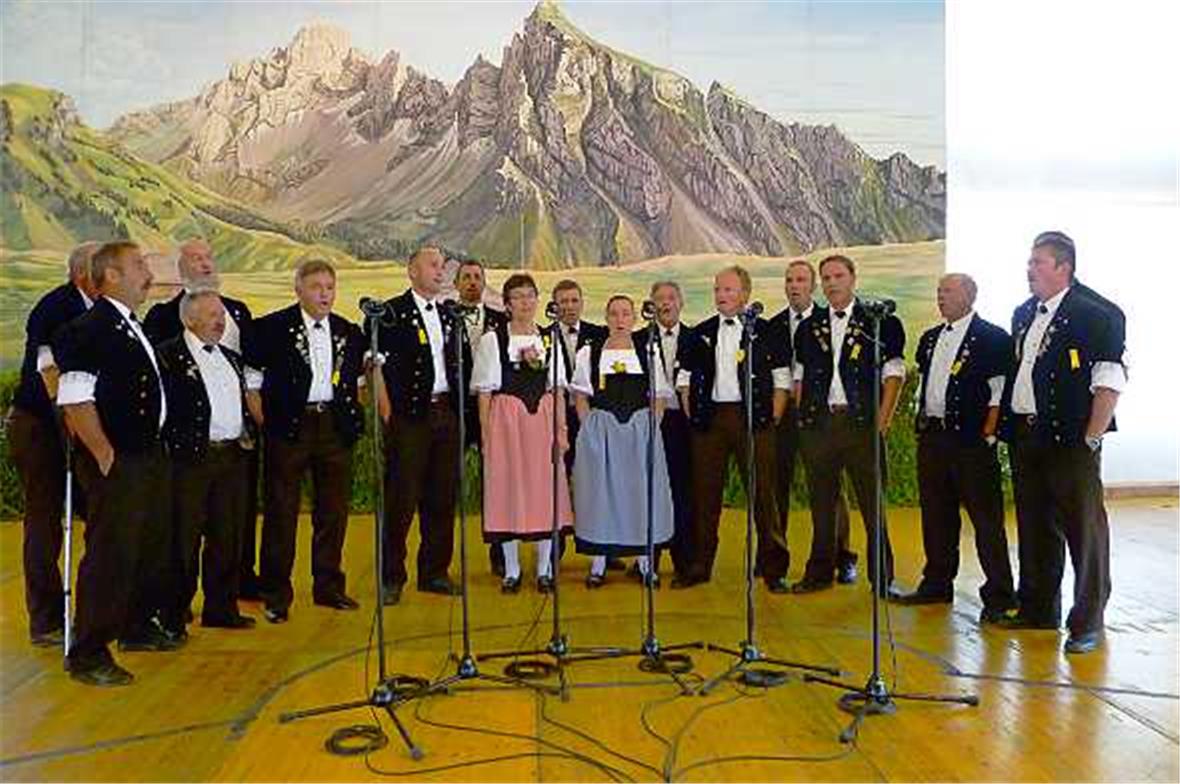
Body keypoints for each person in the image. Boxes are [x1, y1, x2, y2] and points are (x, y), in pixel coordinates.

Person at [56, 241, 181, 686]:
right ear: (111, 275)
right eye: (139, 265)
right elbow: (74, 398)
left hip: (146, 455)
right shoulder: (90, 328)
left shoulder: (129, 324)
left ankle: (135, 626)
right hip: (119, 459)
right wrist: (104, 453)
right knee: (112, 552)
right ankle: (88, 651)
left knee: (148, 545)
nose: (148, 273)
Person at [997, 231, 1126, 654]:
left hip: (1071, 442)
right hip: (1027, 435)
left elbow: (1109, 380)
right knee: (1035, 526)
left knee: (1083, 531)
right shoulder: (1022, 313)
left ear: (1063, 267)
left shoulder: (1097, 314)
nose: (1029, 269)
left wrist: (1091, 437)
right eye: (1029, 262)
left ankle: (1088, 621)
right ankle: (1039, 608)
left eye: (1037, 262)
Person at [245, 259, 365, 624]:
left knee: (333, 511)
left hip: (333, 427)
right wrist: (270, 425)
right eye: (316, 287)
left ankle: (328, 585)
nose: (324, 294)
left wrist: (350, 420)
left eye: (330, 287)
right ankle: (275, 594)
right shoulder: (271, 328)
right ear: (298, 289)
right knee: (281, 511)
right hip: (289, 428)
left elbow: (356, 383)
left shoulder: (349, 331)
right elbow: (252, 382)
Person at [142, 238, 262, 600]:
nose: (206, 264)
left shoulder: (239, 312)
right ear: (181, 269)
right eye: (196, 259)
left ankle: (230, 592)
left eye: (209, 257)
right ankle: (176, 605)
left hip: (234, 443)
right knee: (184, 531)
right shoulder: (163, 318)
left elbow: (251, 371)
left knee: (233, 525)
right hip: (190, 447)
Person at [895, 273, 1017, 622]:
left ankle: (999, 594)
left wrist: (988, 434)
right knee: (936, 514)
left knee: (985, 520)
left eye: (948, 291)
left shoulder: (992, 339)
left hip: (971, 441)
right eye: (938, 291)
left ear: (970, 295)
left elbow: (998, 392)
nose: (940, 296)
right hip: (934, 437)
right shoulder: (931, 338)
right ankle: (936, 583)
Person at [792, 254, 905, 598]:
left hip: (861, 427)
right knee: (822, 507)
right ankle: (820, 573)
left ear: (853, 278)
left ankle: (882, 579)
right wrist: (806, 422)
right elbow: (800, 379)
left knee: (873, 507)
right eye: (825, 277)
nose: (831, 283)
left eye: (838, 275)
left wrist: (881, 424)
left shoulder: (881, 323)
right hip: (820, 426)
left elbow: (894, 375)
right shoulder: (809, 327)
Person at [674, 265, 792, 591]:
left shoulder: (766, 331)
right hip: (710, 422)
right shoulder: (701, 332)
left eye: (727, 290)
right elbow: (684, 378)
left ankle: (773, 569)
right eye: (717, 290)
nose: (721, 296)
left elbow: (782, 378)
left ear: (745, 294)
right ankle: (700, 565)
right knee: (705, 496)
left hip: (752, 419)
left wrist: (773, 417)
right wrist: (694, 415)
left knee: (763, 495)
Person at [8, 242, 99, 648]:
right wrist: (66, 422)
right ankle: (45, 619)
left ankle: (97, 608)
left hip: (77, 423)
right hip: (42, 425)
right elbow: (48, 370)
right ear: (82, 274)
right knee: (45, 519)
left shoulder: (97, 310)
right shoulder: (56, 306)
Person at [370, 247, 465, 604]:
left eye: (442, 267)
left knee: (442, 498)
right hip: (409, 417)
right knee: (401, 499)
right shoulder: (391, 313)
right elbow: (375, 366)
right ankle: (392, 577)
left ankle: (435, 572)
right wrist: (388, 414)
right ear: (411, 271)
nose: (440, 272)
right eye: (432, 266)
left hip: (445, 413)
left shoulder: (449, 314)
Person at [157, 288, 256, 630]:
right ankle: (173, 613)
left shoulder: (230, 356)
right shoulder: (169, 357)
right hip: (191, 461)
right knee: (183, 540)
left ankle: (221, 608)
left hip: (231, 458)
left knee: (227, 537)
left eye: (222, 315)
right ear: (190, 318)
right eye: (213, 315)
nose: (221, 321)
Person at [471, 273, 573, 593]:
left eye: (530, 295)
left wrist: (561, 429)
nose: (526, 302)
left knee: (544, 493)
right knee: (508, 492)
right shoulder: (493, 340)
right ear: (506, 304)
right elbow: (485, 392)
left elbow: (557, 389)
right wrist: (486, 436)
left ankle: (544, 569)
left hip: (541, 422)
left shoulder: (548, 339)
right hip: (507, 422)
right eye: (518, 297)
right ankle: (512, 570)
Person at [571, 295, 674, 587]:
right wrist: (589, 428)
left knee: (641, 495)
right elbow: (581, 396)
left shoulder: (648, 350)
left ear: (634, 319)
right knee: (601, 495)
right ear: (606, 318)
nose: (619, 320)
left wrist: (652, 427)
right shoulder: (589, 353)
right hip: (602, 432)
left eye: (625, 314)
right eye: (614, 314)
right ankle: (599, 563)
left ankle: (644, 563)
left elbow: (659, 394)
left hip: (639, 432)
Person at [768, 259, 857, 586]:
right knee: (777, 484)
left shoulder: (830, 319)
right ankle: (774, 558)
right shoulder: (773, 324)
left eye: (801, 280)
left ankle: (842, 557)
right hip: (784, 414)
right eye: (789, 280)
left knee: (831, 489)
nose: (794, 286)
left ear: (813, 285)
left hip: (820, 416)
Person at [450, 256, 510, 577]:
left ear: (484, 282)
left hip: (494, 410)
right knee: (445, 481)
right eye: (466, 277)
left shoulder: (502, 321)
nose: (472, 282)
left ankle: (499, 552)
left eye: (477, 276)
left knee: (496, 482)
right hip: (454, 410)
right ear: (457, 284)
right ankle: (439, 560)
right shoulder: (446, 318)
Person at [633, 281, 694, 580]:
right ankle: (648, 561)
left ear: (681, 302)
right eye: (659, 299)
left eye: (671, 297)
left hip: (684, 425)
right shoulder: (636, 341)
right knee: (649, 491)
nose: (665, 304)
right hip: (649, 424)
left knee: (683, 491)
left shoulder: (697, 339)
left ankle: (684, 559)